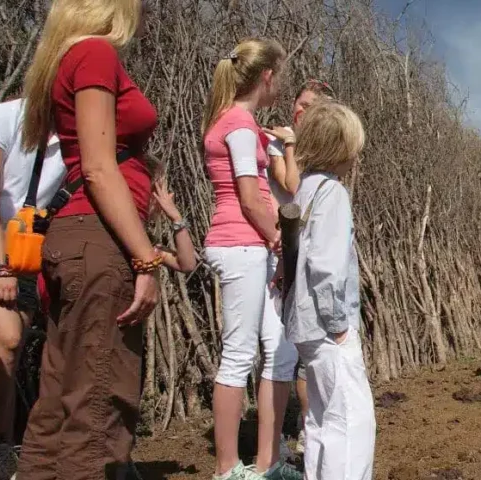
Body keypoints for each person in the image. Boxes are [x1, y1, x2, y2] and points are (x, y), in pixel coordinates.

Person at [16, 0, 161, 478]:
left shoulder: (69, 57)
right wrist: (145, 260)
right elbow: (98, 168)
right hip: (100, 241)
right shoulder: (96, 53)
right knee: (98, 409)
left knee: (57, 408)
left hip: (77, 241)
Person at [201, 38, 301, 480]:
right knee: (239, 354)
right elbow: (248, 197)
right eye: (280, 75)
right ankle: (227, 469)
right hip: (241, 244)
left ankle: (268, 462)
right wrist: (278, 237)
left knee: (278, 351)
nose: (282, 84)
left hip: (251, 246)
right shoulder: (239, 124)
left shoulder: (243, 123)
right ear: (266, 76)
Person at [0, 94, 66, 479]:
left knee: (8, 351)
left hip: (25, 248)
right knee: (5, 341)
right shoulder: (5, 116)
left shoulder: (79, 132)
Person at [281, 101, 375, 480]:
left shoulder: (303, 189)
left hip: (303, 322)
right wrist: (338, 323)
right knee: (352, 422)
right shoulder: (332, 193)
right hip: (326, 325)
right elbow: (326, 264)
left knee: (320, 419)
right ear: (341, 148)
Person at [261, 78, 334, 458]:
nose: (299, 110)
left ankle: (315, 426)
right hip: (281, 254)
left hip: (312, 251)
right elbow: (291, 186)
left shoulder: (322, 151)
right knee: (290, 349)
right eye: (298, 103)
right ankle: (290, 436)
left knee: (315, 346)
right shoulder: (278, 142)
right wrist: (289, 142)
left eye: (308, 106)